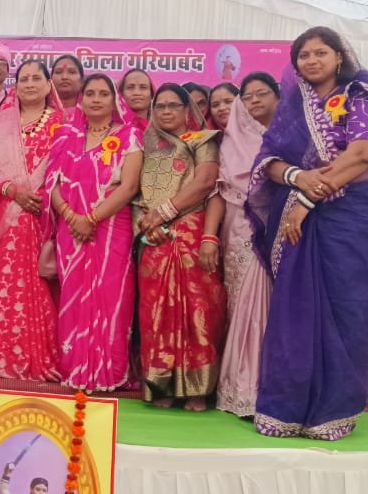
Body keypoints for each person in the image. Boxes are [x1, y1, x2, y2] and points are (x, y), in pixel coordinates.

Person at [247, 27, 368, 440]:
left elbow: (363, 154)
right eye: (304, 55)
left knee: (348, 307)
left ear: (339, 56)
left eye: (320, 52)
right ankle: (286, 408)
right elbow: (269, 160)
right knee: (296, 309)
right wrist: (298, 177)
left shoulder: (359, 95)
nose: (311, 61)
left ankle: (334, 410)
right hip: (300, 218)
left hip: (352, 219)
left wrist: (308, 199)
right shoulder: (293, 107)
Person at [46, 74, 143, 391]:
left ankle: (109, 373)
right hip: (71, 231)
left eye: (104, 94)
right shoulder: (66, 136)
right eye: (90, 93)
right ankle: (75, 369)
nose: (96, 99)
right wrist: (72, 217)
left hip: (111, 228)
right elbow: (52, 183)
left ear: (115, 101)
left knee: (111, 296)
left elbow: (129, 186)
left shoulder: (129, 136)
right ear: (81, 99)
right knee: (74, 295)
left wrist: (91, 218)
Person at [136, 83, 225, 410]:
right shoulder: (143, 144)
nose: (166, 111)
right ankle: (162, 385)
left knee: (198, 309)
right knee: (156, 311)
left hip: (191, 233)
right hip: (152, 238)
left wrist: (165, 212)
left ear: (188, 110)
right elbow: (134, 191)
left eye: (174, 105)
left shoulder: (203, 140)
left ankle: (197, 388)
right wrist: (145, 226)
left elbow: (206, 183)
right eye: (160, 106)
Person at [0, 60, 65, 382]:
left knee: (43, 284)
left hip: (45, 216)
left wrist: (41, 197)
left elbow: (69, 167)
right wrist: (12, 191)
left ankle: (41, 357)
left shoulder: (62, 124)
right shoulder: (1, 123)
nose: (29, 84)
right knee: (6, 284)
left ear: (48, 85)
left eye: (36, 78)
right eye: (23, 78)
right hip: (8, 217)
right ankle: (3, 357)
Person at [214, 76, 279, 418]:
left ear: (278, 97)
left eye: (262, 94)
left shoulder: (290, 135)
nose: (254, 101)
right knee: (243, 303)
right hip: (240, 227)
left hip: (285, 226)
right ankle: (241, 387)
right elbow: (224, 189)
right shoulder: (232, 140)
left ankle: (269, 385)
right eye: (248, 96)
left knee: (273, 307)